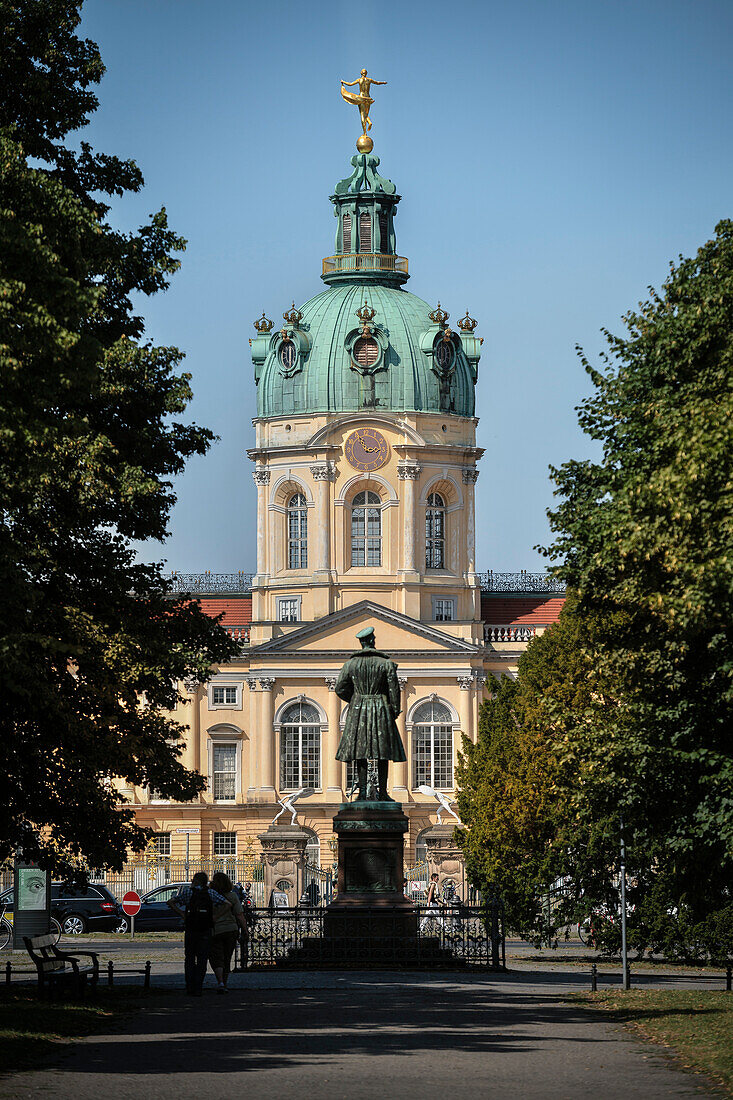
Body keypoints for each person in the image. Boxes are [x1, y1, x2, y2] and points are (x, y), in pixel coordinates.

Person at [168, 872, 230, 996]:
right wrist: (215, 917)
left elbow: (170, 902)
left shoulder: (188, 893)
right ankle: (198, 987)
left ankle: (189, 986)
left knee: (189, 958)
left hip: (191, 929)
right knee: (202, 959)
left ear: (195, 880)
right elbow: (228, 904)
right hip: (205, 929)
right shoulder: (210, 893)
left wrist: (182, 914)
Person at [209, 872, 248, 993]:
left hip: (215, 930)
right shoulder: (232, 896)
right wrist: (245, 930)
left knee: (216, 957)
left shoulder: (210, 896)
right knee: (227, 957)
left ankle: (220, 982)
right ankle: (224, 983)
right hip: (231, 929)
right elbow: (239, 914)